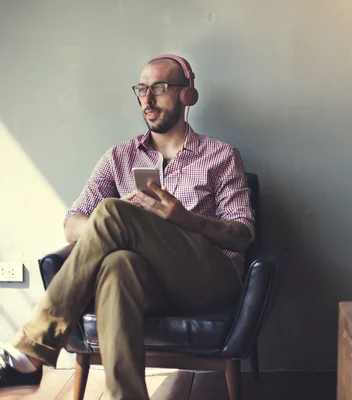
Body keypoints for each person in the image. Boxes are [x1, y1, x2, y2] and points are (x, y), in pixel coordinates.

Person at [0, 54, 255, 399]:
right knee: (119, 265)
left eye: (160, 88)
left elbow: (242, 235)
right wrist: (125, 226)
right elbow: (72, 224)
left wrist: (185, 219)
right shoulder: (118, 157)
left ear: (186, 94)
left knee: (112, 212)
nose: (147, 100)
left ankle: (33, 347)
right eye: (142, 89)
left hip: (210, 276)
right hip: (149, 280)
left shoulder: (221, 155)